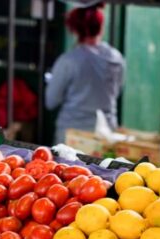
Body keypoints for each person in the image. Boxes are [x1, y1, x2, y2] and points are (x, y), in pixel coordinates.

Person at [46, 2, 125, 144]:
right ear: (101, 28)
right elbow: (116, 92)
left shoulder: (68, 61)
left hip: (71, 137)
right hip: (106, 135)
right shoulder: (116, 58)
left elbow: (51, 101)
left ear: (74, 30)